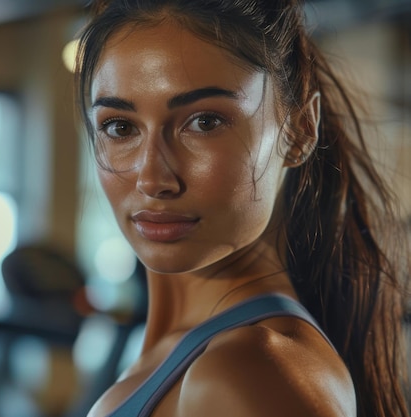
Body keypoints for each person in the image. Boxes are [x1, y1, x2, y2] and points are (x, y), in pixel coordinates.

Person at [73, 1, 410, 416]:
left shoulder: (246, 373)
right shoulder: (198, 357)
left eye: (205, 122)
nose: (152, 179)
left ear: (300, 130)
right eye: (120, 127)